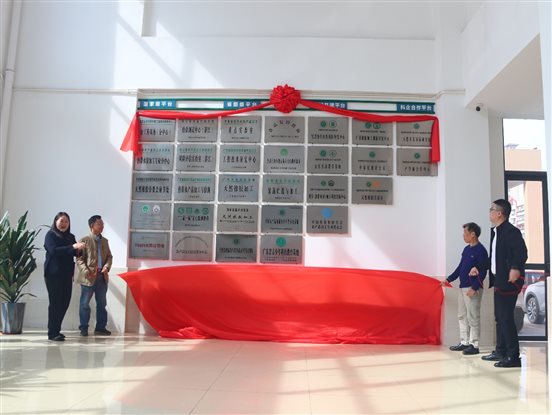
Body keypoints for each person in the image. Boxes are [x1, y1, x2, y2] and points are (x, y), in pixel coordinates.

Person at [481, 199, 528, 368]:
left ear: (499, 213)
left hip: (510, 280)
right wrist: (479, 268)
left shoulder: (511, 231)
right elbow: (494, 258)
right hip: (499, 280)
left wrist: (515, 268)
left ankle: (513, 357)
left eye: (491, 209)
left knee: (505, 318)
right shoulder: (496, 232)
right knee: (499, 318)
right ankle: (500, 351)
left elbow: (521, 253)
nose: (490, 212)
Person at [442, 222, 488, 355]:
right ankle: (464, 342)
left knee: (473, 317)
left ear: (473, 234)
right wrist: (449, 279)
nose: (463, 236)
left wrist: (474, 287)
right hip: (462, 287)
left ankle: (475, 345)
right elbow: (460, 267)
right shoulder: (466, 249)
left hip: (472, 289)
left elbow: (483, 271)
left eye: (465, 233)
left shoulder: (481, 250)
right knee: (462, 316)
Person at [43, 212, 85, 341]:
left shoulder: (70, 237)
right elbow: (54, 251)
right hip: (53, 274)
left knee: (64, 303)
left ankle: (56, 330)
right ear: (55, 221)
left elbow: (74, 252)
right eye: (61, 221)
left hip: (67, 274)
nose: (64, 224)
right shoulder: (50, 235)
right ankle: (52, 333)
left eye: (66, 221)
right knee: (55, 303)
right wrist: (72, 247)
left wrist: (80, 250)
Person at [76, 215, 113, 337]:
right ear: (92, 225)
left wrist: (107, 266)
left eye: (103, 224)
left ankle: (101, 327)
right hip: (88, 277)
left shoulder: (105, 241)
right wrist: (85, 270)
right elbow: (79, 259)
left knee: (102, 304)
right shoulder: (84, 240)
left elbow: (109, 257)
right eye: (99, 224)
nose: (102, 226)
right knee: (84, 304)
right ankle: (84, 327)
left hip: (102, 277)